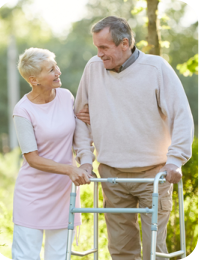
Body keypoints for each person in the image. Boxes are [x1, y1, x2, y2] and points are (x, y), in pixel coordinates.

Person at [74, 16, 194, 260]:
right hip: (111, 175)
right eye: (96, 47)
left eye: (104, 48)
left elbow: (182, 116)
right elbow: (79, 118)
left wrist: (176, 159)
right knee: (120, 251)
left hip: (153, 174)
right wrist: (86, 160)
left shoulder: (156, 68)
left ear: (125, 44)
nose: (99, 54)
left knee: (154, 252)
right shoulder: (92, 69)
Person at [12, 47, 91, 260]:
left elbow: (78, 129)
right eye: (51, 70)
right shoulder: (23, 110)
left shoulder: (66, 97)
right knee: (26, 256)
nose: (58, 72)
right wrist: (69, 169)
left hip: (63, 193)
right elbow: (32, 158)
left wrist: (87, 117)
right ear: (33, 79)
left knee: (59, 256)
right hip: (32, 195)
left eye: (56, 66)